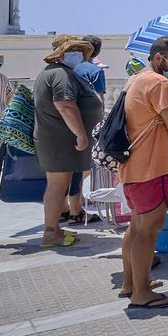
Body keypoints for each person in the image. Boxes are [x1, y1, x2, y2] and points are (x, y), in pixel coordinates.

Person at [120, 36, 168, 311]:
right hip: (151, 165)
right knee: (149, 230)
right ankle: (141, 293)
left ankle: (132, 283)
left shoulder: (135, 79)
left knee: (137, 227)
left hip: (133, 165)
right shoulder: (159, 83)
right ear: (160, 58)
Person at [32, 36, 103, 250]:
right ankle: (51, 233)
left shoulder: (58, 72)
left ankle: (54, 229)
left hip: (59, 140)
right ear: (60, 54)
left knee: (60, 184)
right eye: (73, 50)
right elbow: (65, 105)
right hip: (60, 141)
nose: (78, 54)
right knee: (57, 185)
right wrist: (81, 134)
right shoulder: (60, 74)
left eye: (80, 50)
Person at [64, 35, 108, 224]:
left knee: (64, 167)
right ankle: (76, 209)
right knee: (81, 165)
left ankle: (66, 206)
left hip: (63, 121)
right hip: (86, 123)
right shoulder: (95, 71)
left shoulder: (67, 69)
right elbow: (99, 100)